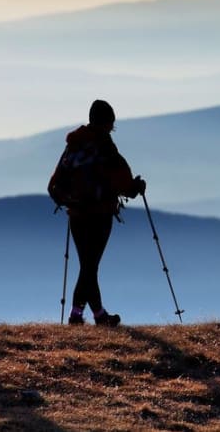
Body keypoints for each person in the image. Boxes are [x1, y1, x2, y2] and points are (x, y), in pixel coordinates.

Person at [48, 100, 146, 326]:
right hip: (100, 214)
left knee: (87, 265)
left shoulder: (73, 145)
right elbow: (122, 180)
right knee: (90, 266)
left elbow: (55, 183)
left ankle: (84, 314)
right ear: (107, 123)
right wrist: (135, 188)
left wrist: (69, 200)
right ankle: (92, 316)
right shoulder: (104, 146)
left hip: (76, 214)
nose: (112, 129)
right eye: (111, 125)